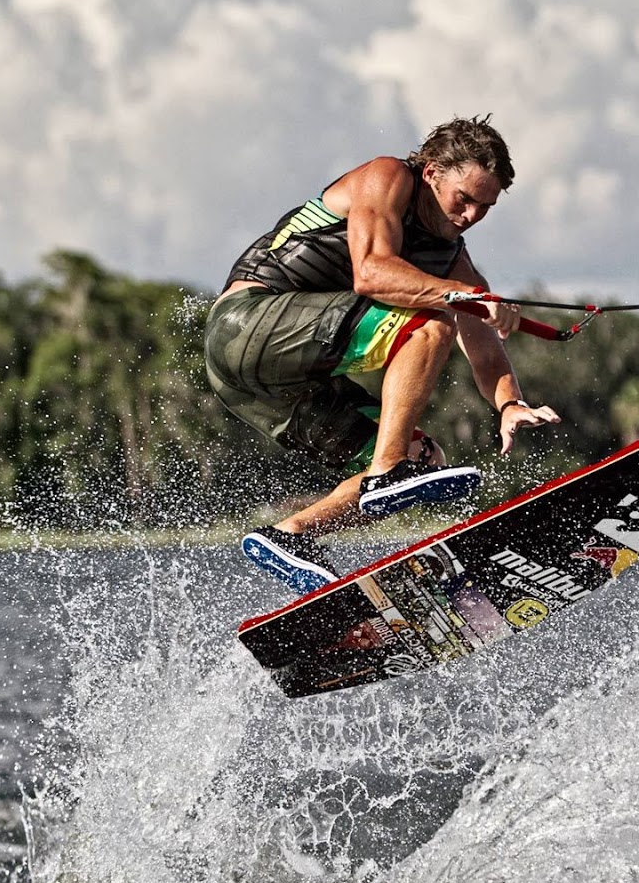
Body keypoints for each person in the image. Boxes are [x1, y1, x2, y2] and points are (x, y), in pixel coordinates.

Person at [205, 115, 561, 593]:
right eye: (465, 198)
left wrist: (509, 403)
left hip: (257, 386)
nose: (472, 215)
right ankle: (386, 471)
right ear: (433, 172)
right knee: (432, 322)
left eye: (485, 206)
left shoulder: (452, 260)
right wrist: (463, 296)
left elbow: (484, 347)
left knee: (421, 457)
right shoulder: (387, 178)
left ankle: (288, 537)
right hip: (247, 326)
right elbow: (371, 273)